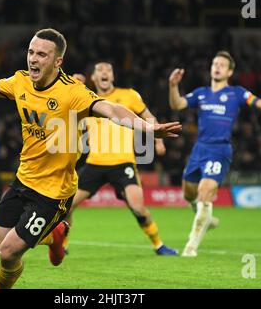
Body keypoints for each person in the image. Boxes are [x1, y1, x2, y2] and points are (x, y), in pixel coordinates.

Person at [0, 28, 181, 289]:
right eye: (31, 52)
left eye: (42, 54)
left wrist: (148, 128)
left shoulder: (72, 92)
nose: (33, 59)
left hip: (53, 192)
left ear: (57, 61)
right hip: (23, 181)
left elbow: (111, 109)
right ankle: (54, 236)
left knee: (7, 253)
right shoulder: (20, 81)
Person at [168, 50, 261, 257]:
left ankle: (191, 246)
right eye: (215, 63)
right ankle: (205, 217)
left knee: (205, 191)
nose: (217, 67)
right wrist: (173, 85)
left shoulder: (237, 93)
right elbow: (177, 104)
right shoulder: (201, 93)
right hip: (200, 149)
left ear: (230, 71)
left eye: (222, 65)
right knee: (189, 193)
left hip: (220, 150)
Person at [64, 62, 178, 256]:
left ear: (113, 76)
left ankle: (158, 244)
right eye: (100, 70)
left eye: (108, 70)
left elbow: (148, 116)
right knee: (67, 205)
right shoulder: (87, 99)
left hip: (123, 162)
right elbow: (66, 114)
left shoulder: (129, 96)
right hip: (95, 163)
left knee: (138, 207)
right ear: (93, 77)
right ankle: (62, 245)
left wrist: (158, 141)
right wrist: (71, 86)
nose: (104, 73)